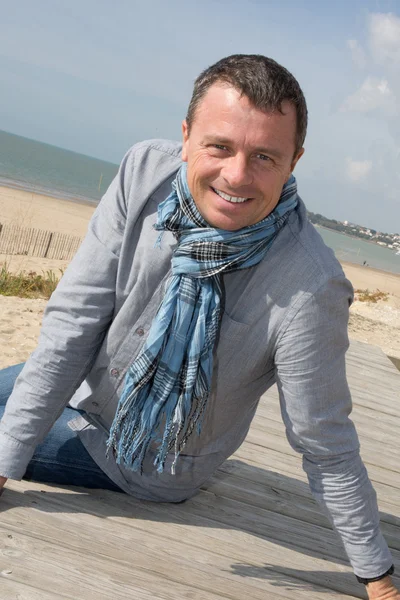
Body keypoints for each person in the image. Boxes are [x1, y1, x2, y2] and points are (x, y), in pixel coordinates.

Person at [0, 55, 398, 598]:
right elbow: (74, 323)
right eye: (219, 146)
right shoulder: (144, 172)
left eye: (264, 156)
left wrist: (377, 577)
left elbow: (323, 441)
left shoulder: (310, 284)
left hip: (143, 458)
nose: (237, 176)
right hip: (88, 384)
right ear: (186, 135)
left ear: (294, 161)